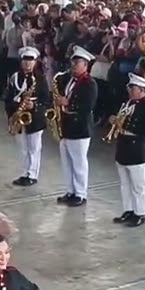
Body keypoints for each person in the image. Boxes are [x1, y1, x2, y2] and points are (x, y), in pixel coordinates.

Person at [111, 74, 145, 227]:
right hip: (123, 145)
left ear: (142, 90)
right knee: (125, 183)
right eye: (130, 88)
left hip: (137, 147)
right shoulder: (127, 103)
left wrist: (125, 126)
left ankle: (140, 212)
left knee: (138, 185)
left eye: (134, 88)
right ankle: (128, 209)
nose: (130, 91)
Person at [55, 47, 99, 207]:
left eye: (77, 62)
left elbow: (88, 105)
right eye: (72, 62)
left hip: (80, 127)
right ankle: (70, 190)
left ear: (86, 65)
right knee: (67, 161)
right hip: (66, 125)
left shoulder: (90, 83)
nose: (73, 65)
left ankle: (80, 193)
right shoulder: (68, 79)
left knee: (79, 162)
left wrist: (68, 103)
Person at [6, 47, 50, 187]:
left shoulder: (40, 79)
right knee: (23, 148)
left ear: (35, 62)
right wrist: (11, 114)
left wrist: (34, 105)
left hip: (34, 118)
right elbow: (8, 97)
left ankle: (32, 174)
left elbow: (46, 100)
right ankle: (24, 172)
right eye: (25, 60)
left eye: (31, 61)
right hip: (18, 116)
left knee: (34, 148)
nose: (27, 64)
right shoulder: (15, 77)